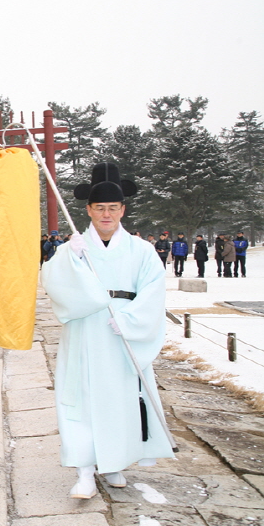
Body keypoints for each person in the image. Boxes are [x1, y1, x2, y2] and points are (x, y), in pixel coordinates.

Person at [42, 163, 174, 500]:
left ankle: (113, 461)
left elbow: (153, 290)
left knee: (120, 401)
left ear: (122, 210)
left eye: (112, 208)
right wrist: (68, 262)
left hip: (121, 333)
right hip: (87, 331)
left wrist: (130, 320)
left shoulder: (141, 251)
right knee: (82, 399)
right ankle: (85, 470)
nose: (106, 214)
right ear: (88, 210)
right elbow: (54, 283)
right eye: (99, 208)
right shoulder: (74, 249)